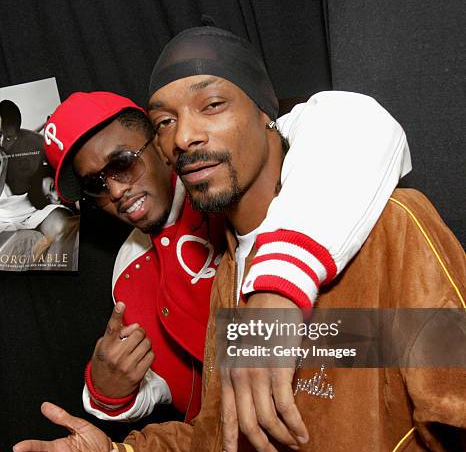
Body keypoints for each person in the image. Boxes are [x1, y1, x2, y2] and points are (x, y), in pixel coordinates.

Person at [14, 28, 465, 452]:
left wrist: (289, 314)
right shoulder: (228, 273)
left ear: (268, 113)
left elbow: (443, 386)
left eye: (212, 104)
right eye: (167, 121)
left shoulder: (392, 230)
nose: (185, 135)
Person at [43, 37, 410, 427]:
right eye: (97, 184)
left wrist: (277, 289)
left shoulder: (237, 180)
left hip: (367, 422)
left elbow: (353, 121)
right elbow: (192, 397)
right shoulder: (130, 270)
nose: (115, 191)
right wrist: (107, 393)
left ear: (157, 145)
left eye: (122, 163)